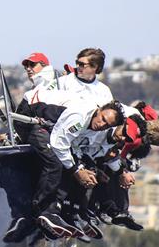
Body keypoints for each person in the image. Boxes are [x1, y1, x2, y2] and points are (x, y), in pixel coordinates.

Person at [31, 99, 124, 239]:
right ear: (99, 110)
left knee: (83, 167)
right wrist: (76, 170)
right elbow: (58, 143)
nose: (101, 125)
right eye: (103, 118)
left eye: (106, 125)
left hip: (53, 130)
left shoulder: (93, 126)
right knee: (55, 162)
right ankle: (43, 210)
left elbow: (74, 145)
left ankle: (69, 211)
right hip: (32, 120)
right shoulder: (80, 116)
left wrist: (82, 168)